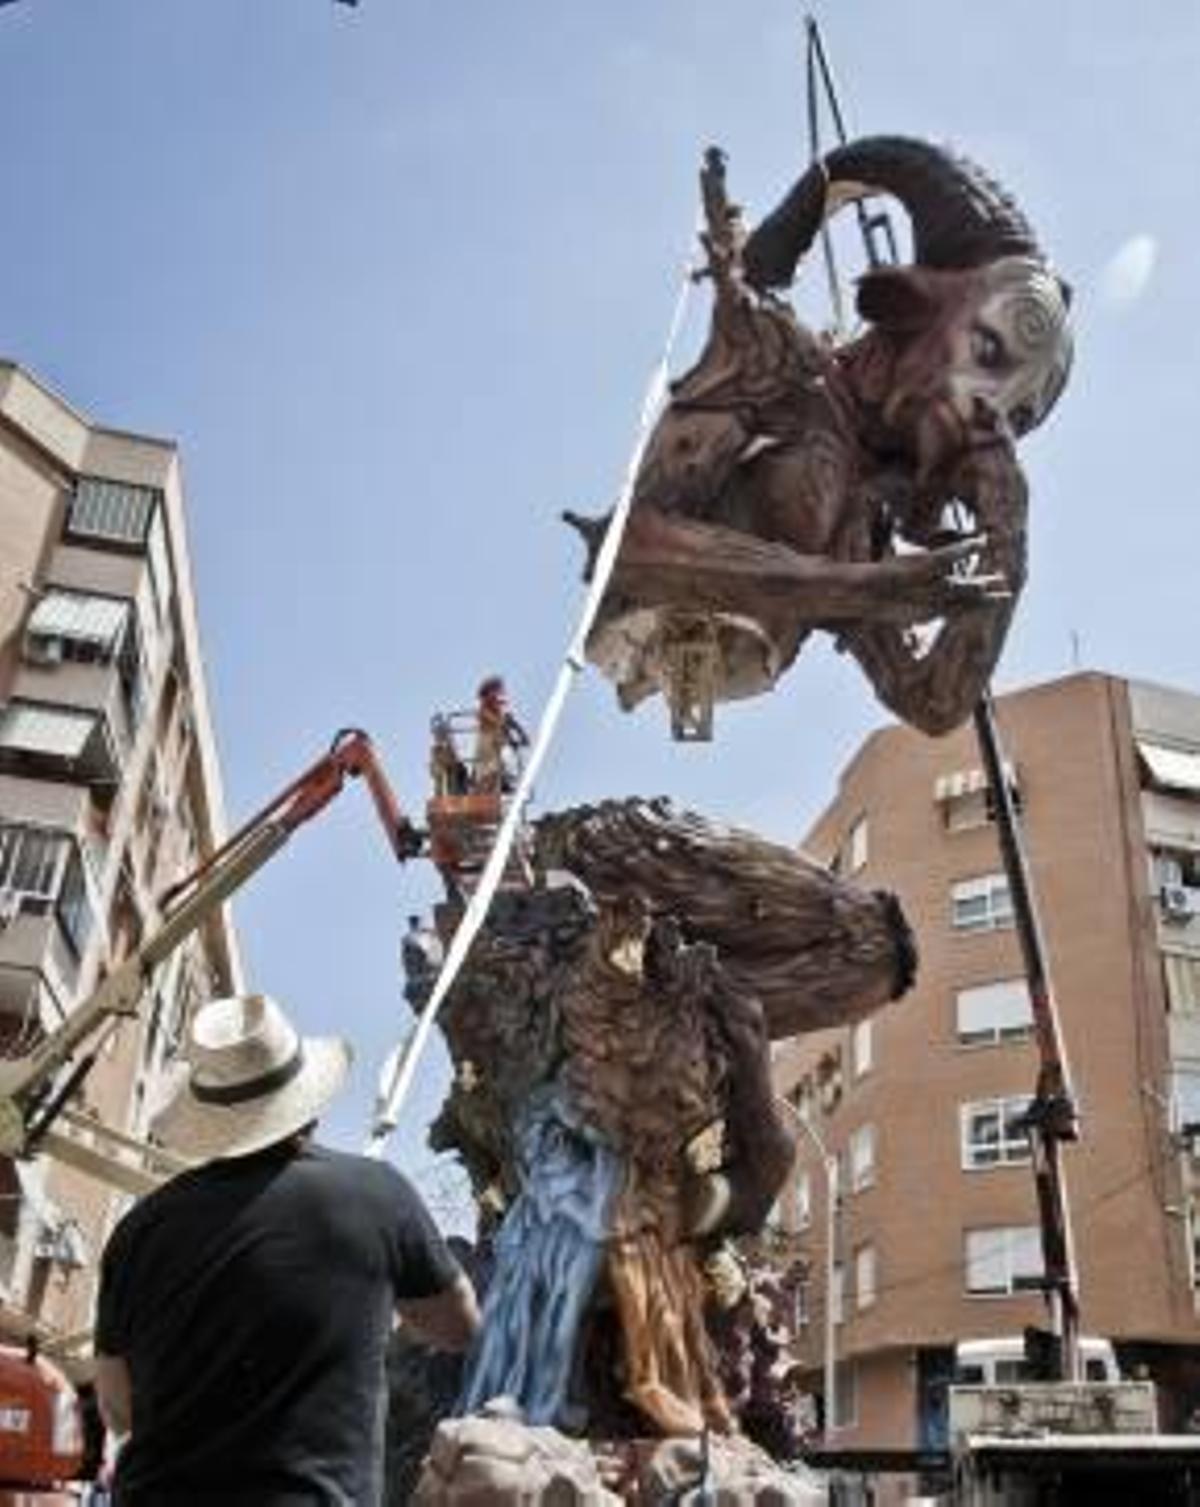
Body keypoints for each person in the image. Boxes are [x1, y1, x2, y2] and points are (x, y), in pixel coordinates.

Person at [94, 993, 479, 1505]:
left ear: (210, 1117)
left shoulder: (139, 1230)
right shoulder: (376, 1195)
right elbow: (460, 1326)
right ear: (309, 1107)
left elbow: (119, 1409)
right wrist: (376, 1319)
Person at [472, 675, 529, 794]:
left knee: (505, 761)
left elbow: (505, 726)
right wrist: (507, 722)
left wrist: (518, 735)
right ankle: (501, 784)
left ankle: (506, 783)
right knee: (491, 769)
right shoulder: (483, 709)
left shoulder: (498, 707)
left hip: (498, 743)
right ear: (489, 692)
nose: (499, 694)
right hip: (488, 744)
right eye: (496, 690)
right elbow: (497, 723)